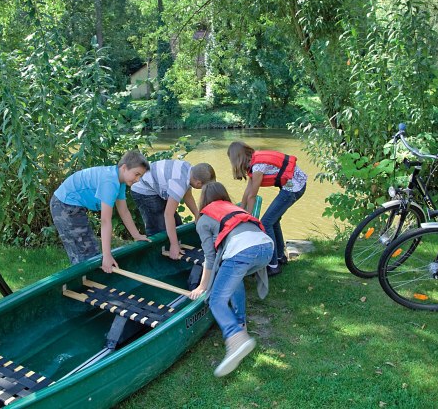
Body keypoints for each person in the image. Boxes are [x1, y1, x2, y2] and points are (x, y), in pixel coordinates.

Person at [189, 181, 272, 377]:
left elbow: (209, 258)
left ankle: (235, 339)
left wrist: (202, 286)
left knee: (216, 299)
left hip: (243, 252)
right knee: (235, 279)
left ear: (204, 200)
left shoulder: (203, 220)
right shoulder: (235, 209)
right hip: (267, 248)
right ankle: (240, 325)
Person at [51, 151, 150, 272]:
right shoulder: (109, 182)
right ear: (124, 168)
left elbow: (124, 211)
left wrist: (137, 235)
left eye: (140, 176)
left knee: (89, 250)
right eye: (136, 174)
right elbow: (105, 220)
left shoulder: (119, 182)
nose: (138, 179)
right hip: (64, 205)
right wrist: (107, 255)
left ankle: (90, 281)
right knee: (84, 252)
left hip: (73, 205)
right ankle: (83, 284)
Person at [227, 141, 307, 276]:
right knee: (273, 220)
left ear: (236, 158)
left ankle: (273, 265)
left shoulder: (258, 167)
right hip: (293, 185)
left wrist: (249, 218)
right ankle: (281, 256)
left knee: (266, 222)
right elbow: (247, 192)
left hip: (293, 188)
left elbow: (252, 195)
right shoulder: (253, 162)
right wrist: (241, 210)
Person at [131, 160, 216, 259]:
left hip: (156, 187)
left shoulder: (189, 170)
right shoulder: (179, 183)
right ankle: (156, 257)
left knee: (177, 223)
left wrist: (197, 215)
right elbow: (168, 214)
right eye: (203, 187)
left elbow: (187, 195)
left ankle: (175, 248)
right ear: (198, 183)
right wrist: (174, 245)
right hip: (143, 191)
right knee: (159, 227)